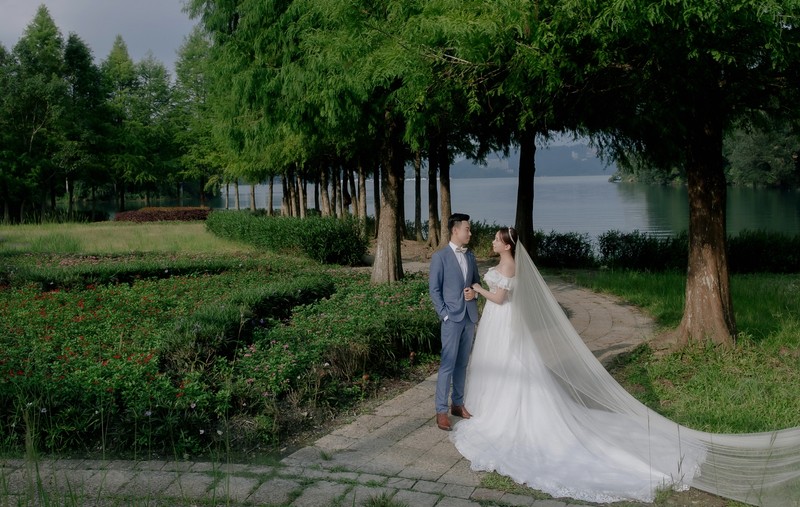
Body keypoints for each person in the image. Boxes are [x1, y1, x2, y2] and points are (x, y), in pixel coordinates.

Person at [449, 227, 800, 506]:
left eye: (496, 239)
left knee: (511, 366)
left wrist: (478, 289)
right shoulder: (507, 264)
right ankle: (494, 406)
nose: (492, 242)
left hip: (503, 321)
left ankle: (504, 415)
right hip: (501, 324)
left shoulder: (509, 266)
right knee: (504, 366)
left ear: (507, 246)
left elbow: (501, 298)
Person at [429, 213, 481, 431]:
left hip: (469, 317)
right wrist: (445, 315)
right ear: (455, 230)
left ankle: (457, 404)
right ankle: (441, 411)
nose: (470, 233)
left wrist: (474, 294)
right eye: (467, 229)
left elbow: (476, 282)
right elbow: (434, 290)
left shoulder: (470, 256)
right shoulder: (440, 257)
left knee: (462, 363)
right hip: (452, 319)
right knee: (447, 364)